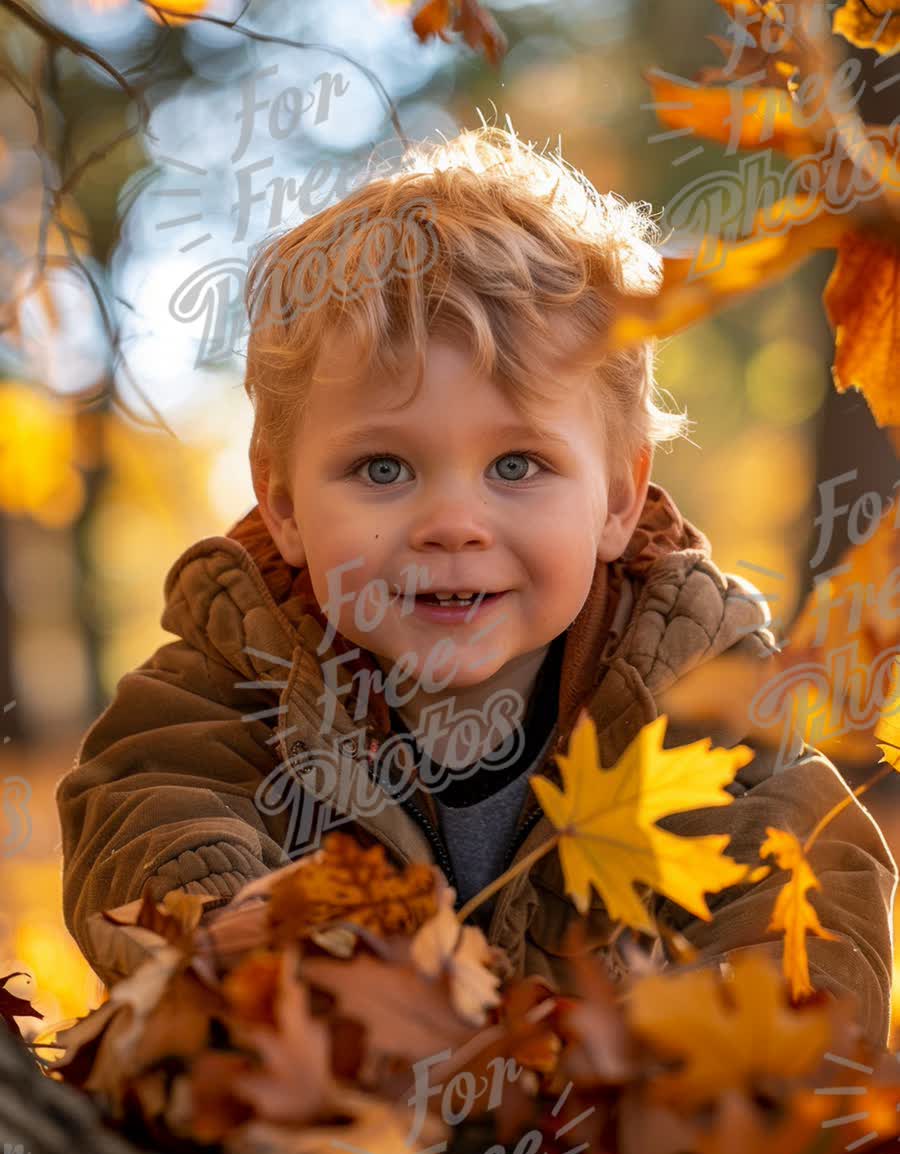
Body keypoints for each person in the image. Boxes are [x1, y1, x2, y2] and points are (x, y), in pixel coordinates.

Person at [55, 120, 897, 1047]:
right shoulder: (236, 669)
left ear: (618, 495)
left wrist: (710, 1079)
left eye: (517, 465)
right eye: (382, 468)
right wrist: (245, 940)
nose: (452, 523)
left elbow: (814, 886)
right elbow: (142, 805)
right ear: (283, 502)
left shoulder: (700, 690)